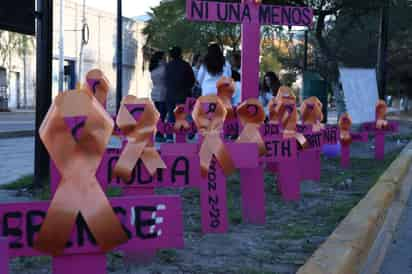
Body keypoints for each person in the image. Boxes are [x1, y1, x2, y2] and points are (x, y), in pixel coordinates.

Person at [165, 46, 195, 141]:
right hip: (183, 94)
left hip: (170, 94)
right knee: (182, 116)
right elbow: (192, 80)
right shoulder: (185, 65)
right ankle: (182, 136)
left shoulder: (168, 66)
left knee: (171, 115)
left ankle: (169, 136)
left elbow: (165, 79)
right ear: (180, 54)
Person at [149, 51, 167, 141]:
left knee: (159, 115)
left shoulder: (153, 69)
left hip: (155, 92)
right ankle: (159, 134)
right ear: (161, 59)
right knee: (162, 115)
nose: (166, 58)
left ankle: (159, 133)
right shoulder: (164, 68)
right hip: (163, 93)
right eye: (164, 57)